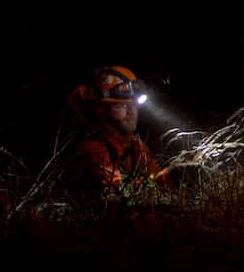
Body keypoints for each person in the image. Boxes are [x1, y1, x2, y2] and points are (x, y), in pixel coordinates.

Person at [64, 65, 171, 201]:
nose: (132, 111)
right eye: (123, 106)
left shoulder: (135, 145)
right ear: (102, 110)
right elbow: (114, 195)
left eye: (134, 105)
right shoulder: (91, 148)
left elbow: (162, 181)